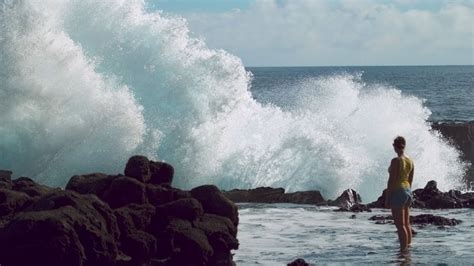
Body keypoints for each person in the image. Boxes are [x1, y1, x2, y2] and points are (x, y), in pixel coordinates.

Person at [385, 136, 414, 253]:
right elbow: (410, 180)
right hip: (408, 191)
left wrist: (387, 198)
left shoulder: (396, 161)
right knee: (407, 224)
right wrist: (407, 192)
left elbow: (392, 180)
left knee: (400, 226)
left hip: (398, 191)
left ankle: (403, 252)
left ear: (394, 146)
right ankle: (408, 249)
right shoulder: (410, 161)